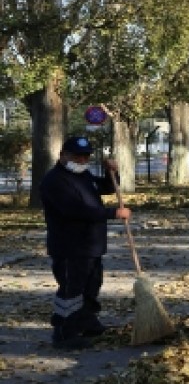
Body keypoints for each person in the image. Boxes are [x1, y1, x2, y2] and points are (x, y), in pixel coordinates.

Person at [40, 136, 132, 350]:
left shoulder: (83, 175)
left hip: (91, 244)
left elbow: (107, 187)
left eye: (85, 156)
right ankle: (64, 332)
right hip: (69, 245)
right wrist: (114, 213)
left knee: (92, 285)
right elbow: (74, 210)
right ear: (63, 155)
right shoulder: (54, 181)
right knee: (72, 289)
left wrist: (112, 172)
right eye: (76, 156)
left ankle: (87, 321)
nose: (81, 160)